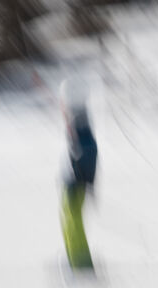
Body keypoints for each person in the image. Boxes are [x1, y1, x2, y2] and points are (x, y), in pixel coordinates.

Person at [59, 78, 98, 272]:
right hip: (71, 180)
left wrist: (87, 180)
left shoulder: (81, 124)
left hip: (77, 181)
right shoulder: (74, 121)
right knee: (67, 219)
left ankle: (81, 264)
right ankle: (74, 261)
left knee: (73, 221)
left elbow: (89, 151)